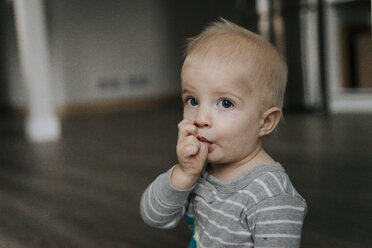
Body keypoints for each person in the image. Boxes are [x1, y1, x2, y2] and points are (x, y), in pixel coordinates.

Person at [140, 19, 307, 247]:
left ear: (265, 122)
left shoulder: (270, 196)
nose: (200, 118)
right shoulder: (199, 169)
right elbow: (154, 216)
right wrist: (183, 174)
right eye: (192, 100)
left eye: (225, 103)